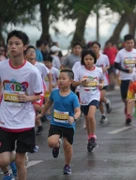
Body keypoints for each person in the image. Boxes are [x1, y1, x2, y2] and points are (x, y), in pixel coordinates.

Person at [0, 30, 43, 180]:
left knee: (19, 162)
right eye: (10, 43)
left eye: (17, 44)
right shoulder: (2, 67)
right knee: (3, 160)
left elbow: (39, 94)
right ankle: (11, 163)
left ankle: (20, 158)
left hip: (24, 120)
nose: (13, 46)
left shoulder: (32, 71)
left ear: (24, 47)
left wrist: (27, 98)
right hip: (5, 119)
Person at [36, 69, 80, 175]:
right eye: (59, 78)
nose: (60, 81)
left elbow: (78, 111)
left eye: (63, 79)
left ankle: (67, 165)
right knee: (51, 143)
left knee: (68, 146)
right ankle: (57, 145)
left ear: (70, 81)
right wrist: (41, 114)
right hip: (55, 123)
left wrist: (73, 118)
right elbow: (48, 104)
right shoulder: (54, 93)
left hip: (68, 125)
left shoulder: (73, 97)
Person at [72, 49, 104, 152]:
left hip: (94, 96)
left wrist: (101, 85)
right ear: (83, 60)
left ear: (94, 59)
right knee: (87, 118)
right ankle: (90, 138)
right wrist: (80, 82)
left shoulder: (98, 70)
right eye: (86, 59)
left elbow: (102, 80)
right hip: (84, 97)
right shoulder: (80, 70)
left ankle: (93, 136)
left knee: (91, 116)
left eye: (91, 59)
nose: (88, 61)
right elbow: (73, 83)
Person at [114, 34, 136, 124]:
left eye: (131, 42)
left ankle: (129, 114)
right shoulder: (121, 53)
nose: (130, 44)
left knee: (134, 97)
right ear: (124, 43)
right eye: (128, 43)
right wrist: (125, 70)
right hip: (124, 78)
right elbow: (116, 64)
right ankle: (127, 106)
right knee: (124, 98)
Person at [26, 45, 53, 135]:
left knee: (35, 107)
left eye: (33, 51)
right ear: (25, 54)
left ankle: (45, 112)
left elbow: (49, 74)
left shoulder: (40, 65)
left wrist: (50, 84)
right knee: (32, 109)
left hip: (39, 90)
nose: (31, 53)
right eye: (29, 51)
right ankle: (40, 126)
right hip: (27, 91)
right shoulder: (24, 65)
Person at [92, 42, 112, 123]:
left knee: (100, 98)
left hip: (104, 81)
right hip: (94, 82)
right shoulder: (91, 58)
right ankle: (103, 115)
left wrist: (105, 68)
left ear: (99, 48)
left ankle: (106, 101)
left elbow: (109, 65)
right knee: (99, 100)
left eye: (96, 47)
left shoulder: (104, 57)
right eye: (93, 47)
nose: (94, 49)